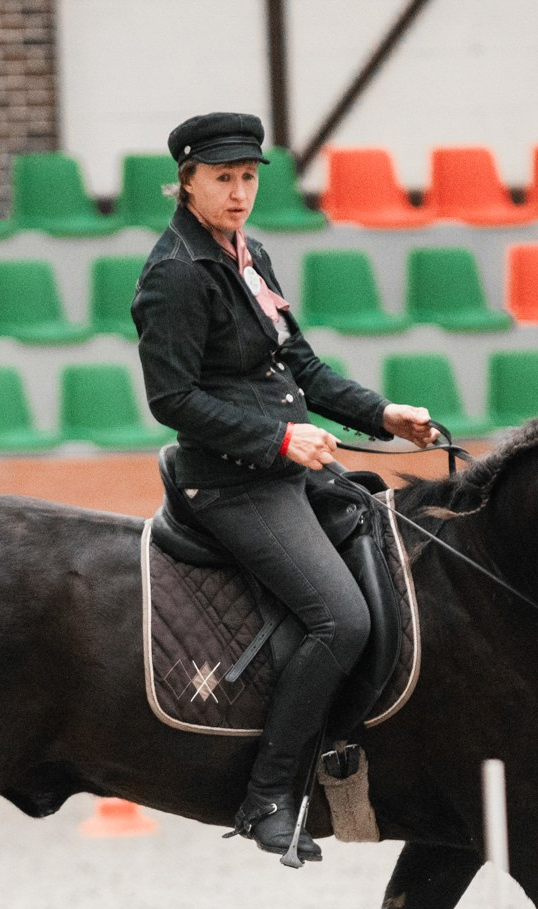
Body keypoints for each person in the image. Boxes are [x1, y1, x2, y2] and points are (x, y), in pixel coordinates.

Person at [133, 112, 438, 862]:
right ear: (186, 181)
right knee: (342, 618)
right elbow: (171, 401)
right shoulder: (174, 273)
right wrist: (277, 439)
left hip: (288, 468)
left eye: (248, 179)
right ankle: (269, 794)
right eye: (222, 180)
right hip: (230, 484)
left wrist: (384, 413)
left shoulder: (247, 253)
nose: (239, 195)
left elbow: (297, 364)